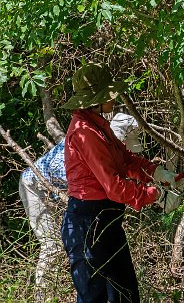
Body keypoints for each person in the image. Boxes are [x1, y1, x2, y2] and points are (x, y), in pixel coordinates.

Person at [60, 63, 182, 303]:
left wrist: (156, 172)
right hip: (88, 224)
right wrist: (155, 195)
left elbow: (123, 158)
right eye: (108, 95)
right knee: (93, 298)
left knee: (125, 294)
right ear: (95, 100)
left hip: (106, 221)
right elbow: (114, 186)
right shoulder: (84, 132)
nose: (113, 100)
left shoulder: (98, 126)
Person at [18, 112, 147, 300]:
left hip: (58, 187)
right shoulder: (87, 146)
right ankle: (42, 296)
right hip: (33, 185)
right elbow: (83, 190)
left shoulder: (101, 141)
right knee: (52, 245)